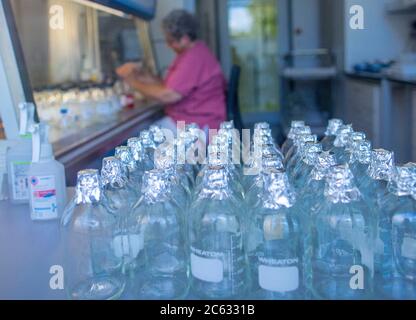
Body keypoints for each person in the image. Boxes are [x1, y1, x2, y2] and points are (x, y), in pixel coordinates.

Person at [116, 9, 227, 133]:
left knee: (138, 139)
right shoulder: (193, 52)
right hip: (191, 121)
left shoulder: (194, 58)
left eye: (170, 41)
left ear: (184, 39)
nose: (168, 46)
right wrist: (143, 76)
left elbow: (167, 95)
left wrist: (132, 82)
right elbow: (170, 86)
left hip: (197, 126)